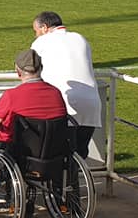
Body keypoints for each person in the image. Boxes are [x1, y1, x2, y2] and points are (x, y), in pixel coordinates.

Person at [0, 49, 68, 194]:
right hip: (51, 151)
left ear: (18, 71)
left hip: (16, 149)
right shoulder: (56, 93)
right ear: (41, 68)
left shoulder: (12, 95)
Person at [30, 11, 101, 158]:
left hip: (63, 103)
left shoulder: (41, 42)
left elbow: (30, 69)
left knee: (63, 155)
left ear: (44, 27)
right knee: (80, 154)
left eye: (36, 31)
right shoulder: (80, 38)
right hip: (91, 103)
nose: (35, 35)